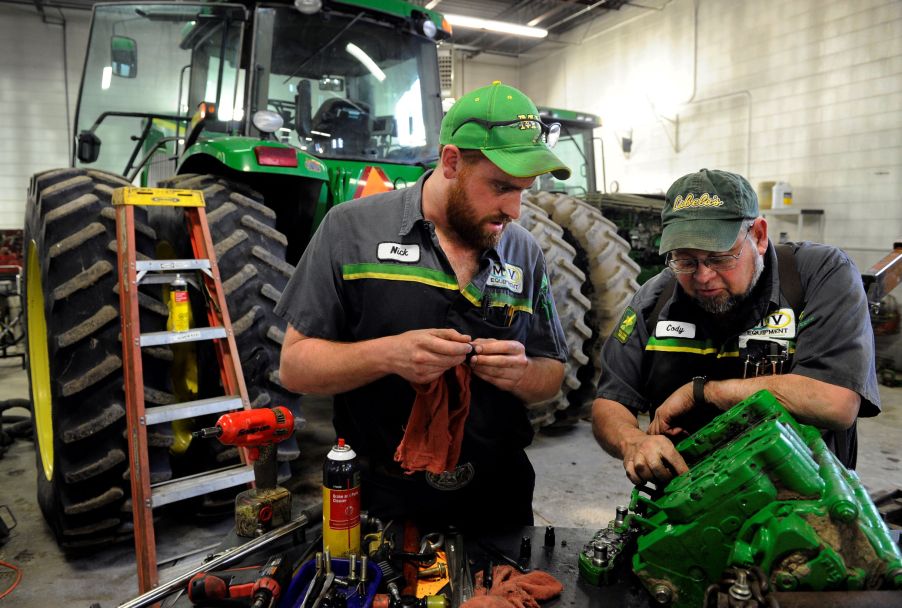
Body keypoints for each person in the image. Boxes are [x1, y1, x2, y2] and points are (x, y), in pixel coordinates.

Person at [276, 81, 570, 532]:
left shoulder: (523, 251)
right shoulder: (349, 230)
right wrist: (388, 355)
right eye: (500, 186)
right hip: (383, 496)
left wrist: (523, 374)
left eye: (524, 190)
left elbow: (550, 376)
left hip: (498, 494)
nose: (514, 208)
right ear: (451, 161)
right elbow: (295, 367)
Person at [592, 168, 880, 486]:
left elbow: (835, 402)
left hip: (803, 508)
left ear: (758, 235)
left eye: (720, 258)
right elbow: (611, 401)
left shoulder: (819, 277)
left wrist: (701, 393)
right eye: (685, 260)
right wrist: (634, 442)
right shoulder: (655, 300)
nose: (703, 276)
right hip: (689, 507)